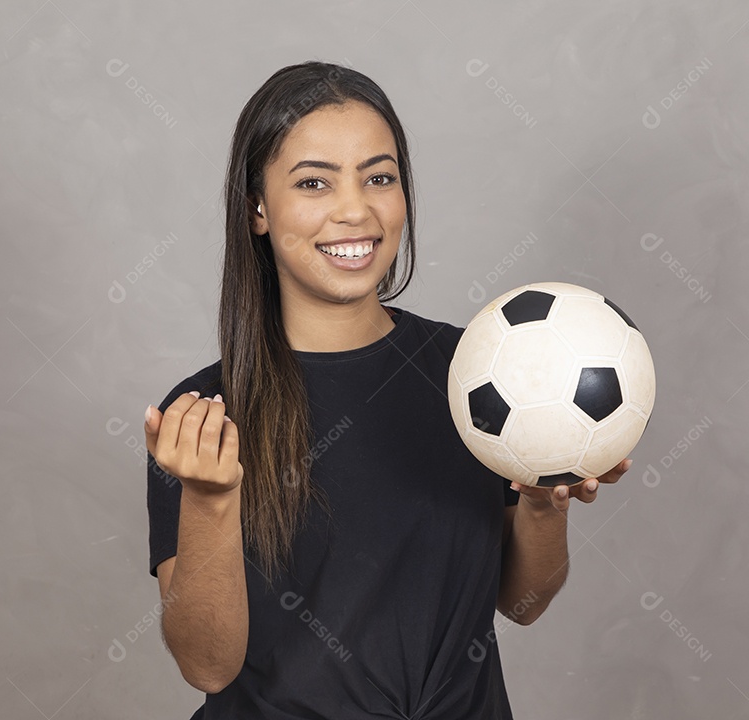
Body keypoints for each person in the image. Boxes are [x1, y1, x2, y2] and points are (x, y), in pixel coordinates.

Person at [143, 60, 631, 720]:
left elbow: (523, 604)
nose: (355, 210)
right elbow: (208, 663)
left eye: (379, 177)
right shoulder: (205, 419)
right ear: (257, 208)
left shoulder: (481, 373)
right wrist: (209, 498)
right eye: (314, 182)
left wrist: (546, 502)